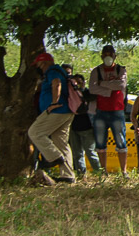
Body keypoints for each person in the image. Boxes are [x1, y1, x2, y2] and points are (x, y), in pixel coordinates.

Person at [28, 52, 75, 186]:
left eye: (39, 65)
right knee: (61, 142)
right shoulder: (60, 71)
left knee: (34, 132)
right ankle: (68, 176)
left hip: (57, 110)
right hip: (67, 111)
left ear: (44, 63)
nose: (39, 68)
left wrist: (54, 102)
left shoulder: (52, 71)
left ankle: (54, 157)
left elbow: (56, 83)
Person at [88, 45, 128, 174]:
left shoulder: (121, 70)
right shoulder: (96, 71)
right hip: (100, 111)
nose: (107, 57)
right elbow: (92, 89)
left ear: (115, 56)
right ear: (101, 56)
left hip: (117, 111)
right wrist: (110, 90)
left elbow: (121, 85)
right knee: (100, 143)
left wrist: (102, 84)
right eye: (105, 54)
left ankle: (124, 171)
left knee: (121, 141)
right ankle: (103, 171)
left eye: (110, 54)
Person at [67, 74, 99, 177]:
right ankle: (81, 174)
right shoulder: (70, 95)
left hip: (87, 127)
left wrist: (80, 90)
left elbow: (93, 98)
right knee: (77, 154)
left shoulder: (87, 93)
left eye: (80, 82)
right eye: (76, 82)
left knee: (91, 152)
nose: (78, 84)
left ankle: (98, 173)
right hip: (73, 127)